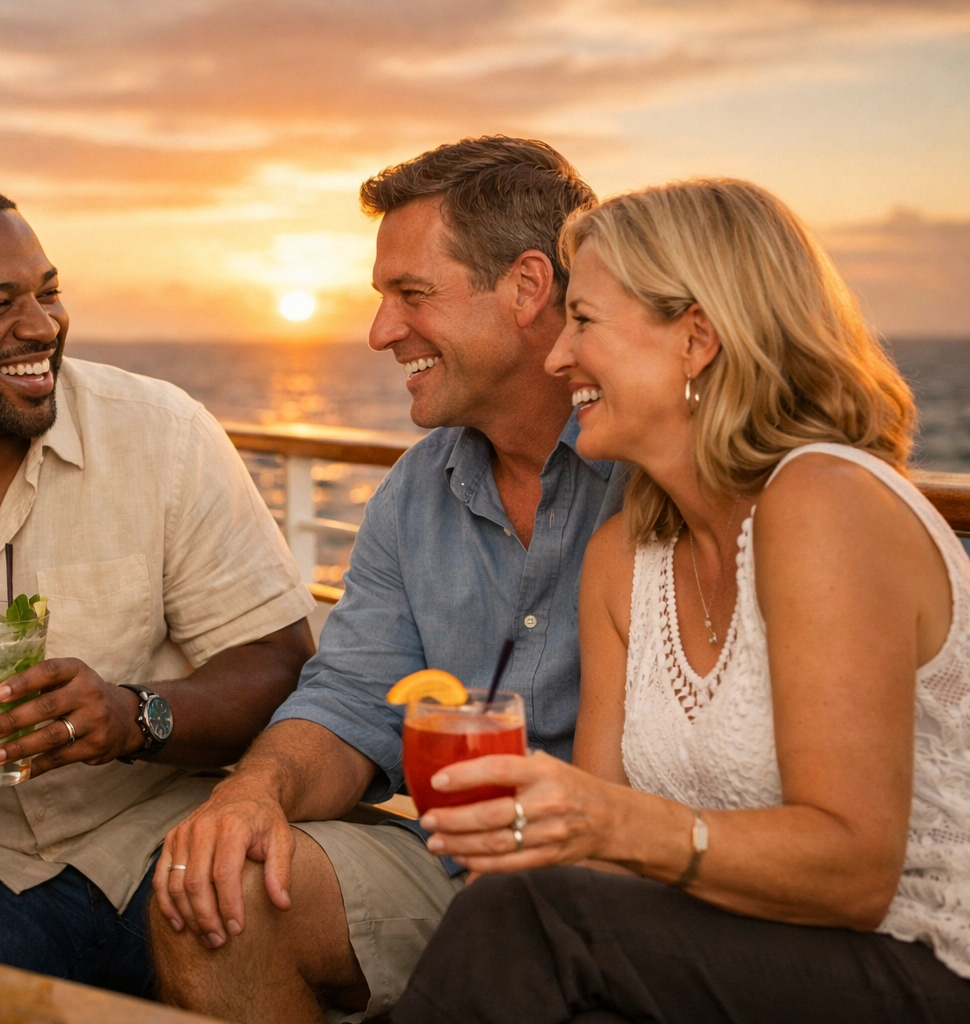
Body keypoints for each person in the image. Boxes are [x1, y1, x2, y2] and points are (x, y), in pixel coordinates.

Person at [393, 178, 970, 1023]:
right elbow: (594, 867)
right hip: (730, 945)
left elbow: (855, 872)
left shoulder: (824, 503)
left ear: (696, 338)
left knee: (534, 921)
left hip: (917, 960)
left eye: (583, 321)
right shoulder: (623, 559)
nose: (558, 357)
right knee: (531, 922)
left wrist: (606, 825)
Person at [149, 136, 621, 1023]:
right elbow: (353, 700)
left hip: (624, 886)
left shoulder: (653, 471)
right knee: (219, 897)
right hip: (451, 865)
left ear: (527, 288)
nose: (379, 332)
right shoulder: (415, 490)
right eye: (382, 299)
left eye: (411, 295)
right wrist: (251, 796)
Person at [0, 177, 315, 995]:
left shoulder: (159, 432)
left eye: (49, 292)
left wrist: (135, 716)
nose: (42, 326)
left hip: (161, 853)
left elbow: (277, 659)